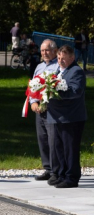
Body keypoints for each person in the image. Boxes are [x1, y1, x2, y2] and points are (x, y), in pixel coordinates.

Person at [45, 45, 87, 189]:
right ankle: (62, 174)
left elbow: (75, 91)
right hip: (57, 117)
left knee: (70, 149)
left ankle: (72, 177)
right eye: (58, 58)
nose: (60, 60)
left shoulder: (76, 71)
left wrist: (55, 93)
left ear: (72, 58)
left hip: (71, 118)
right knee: (59, 148)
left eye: (63, 58)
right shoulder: (58, 71)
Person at [30, 39, 60, 181]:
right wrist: (33, 102)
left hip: (52, 109)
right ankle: (47, 168)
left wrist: (48, 102)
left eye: (47, 50)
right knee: (42, 139)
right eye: (42, 50)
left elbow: (59, 87)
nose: (44, 53)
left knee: (53, 140)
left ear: (54, 51)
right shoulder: (39, 67)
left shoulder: (58, 66)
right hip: (39, 109)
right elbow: (32, 87)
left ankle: (56, 171)